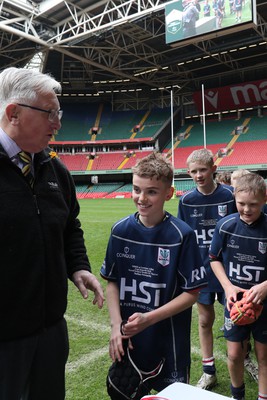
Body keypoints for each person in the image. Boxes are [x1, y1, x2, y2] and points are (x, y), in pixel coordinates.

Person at [0, 67, 104, 400]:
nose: (58, 124)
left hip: (50, 330)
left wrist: (79, 266)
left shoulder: (55, 169)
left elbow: (69, 224)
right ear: (13, 113)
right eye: (51, 113)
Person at [100, 152, 207, 398]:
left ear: (168, 194)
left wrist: (149, 318)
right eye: (137, 189)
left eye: (151, 191)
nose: (142, 198)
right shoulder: (120, 231)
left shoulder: (182, 235)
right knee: (127, 392)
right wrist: (117, 326)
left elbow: (192, 293)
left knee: (169, 395)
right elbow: (113, 281)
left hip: (168, 340)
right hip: (130, 338)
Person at [178, 148, 237, 390]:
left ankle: (243, 360)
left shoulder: (230, 196)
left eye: (203, 170)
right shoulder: (186, 200)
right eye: (193, 171)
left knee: (236, 320)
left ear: (213, 169)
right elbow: (184, 235)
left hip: (229, 271)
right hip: (201, 270)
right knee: (205, 321)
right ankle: (208, 370)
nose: (198, 175)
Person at [209, 173, 267, 400]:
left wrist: (265, 287)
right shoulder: (225, 226)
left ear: (264, 199)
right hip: (235, 303)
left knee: (263, 356)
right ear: (234, 198)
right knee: (233, 355)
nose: (246, 209)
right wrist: (228, 287)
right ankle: (237, 396)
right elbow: (214, 258)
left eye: (253, 204)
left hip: (264, 303)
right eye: (241, 203)